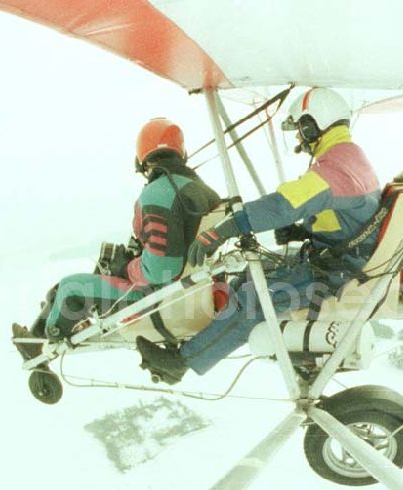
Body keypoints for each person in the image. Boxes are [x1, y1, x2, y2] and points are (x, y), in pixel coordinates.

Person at [136, 88, 381, 384]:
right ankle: (202, 339)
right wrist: (303, 230)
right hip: (339, 260)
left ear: (311, 124)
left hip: (337, 273)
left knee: (252, 299)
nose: (300, 140)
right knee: (246, 279)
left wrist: (225, 228)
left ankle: (181, 363)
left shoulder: (336, 168)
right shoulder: (349, 158)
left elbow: (283, 203)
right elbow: (350, 214)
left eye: (301, 130)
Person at [12, 118, 221, 359]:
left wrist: (126, 267)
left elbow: (162, 270)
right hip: (190, 293)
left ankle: (43, 341)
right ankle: (36, 336)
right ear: (181, 152)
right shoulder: (202, 190)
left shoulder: (158, 194)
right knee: (68, 287)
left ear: (141, 158)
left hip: (158, 300)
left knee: (70, 288)